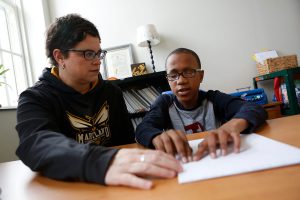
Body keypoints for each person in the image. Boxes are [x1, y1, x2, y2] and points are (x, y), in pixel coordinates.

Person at [15, 14, 182, 190]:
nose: (97, 61)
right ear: (59, 57)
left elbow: (125, 142)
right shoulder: (34, 98)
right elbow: (36, 143)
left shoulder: (112, 92)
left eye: (98, 53)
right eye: (87, 54)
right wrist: (102, 161)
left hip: (119, 183)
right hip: (72, 187)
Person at [135, 48, 267, 162]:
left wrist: (231, 126)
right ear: (168, 80)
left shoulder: (214, 99)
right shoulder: (164, 103)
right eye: (173, 75)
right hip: (183, 162)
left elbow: (253, 108)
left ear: (201, 76)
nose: (181, 80)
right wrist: (156, 137)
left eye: (188, 72)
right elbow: (143, 128)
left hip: (218, 158)